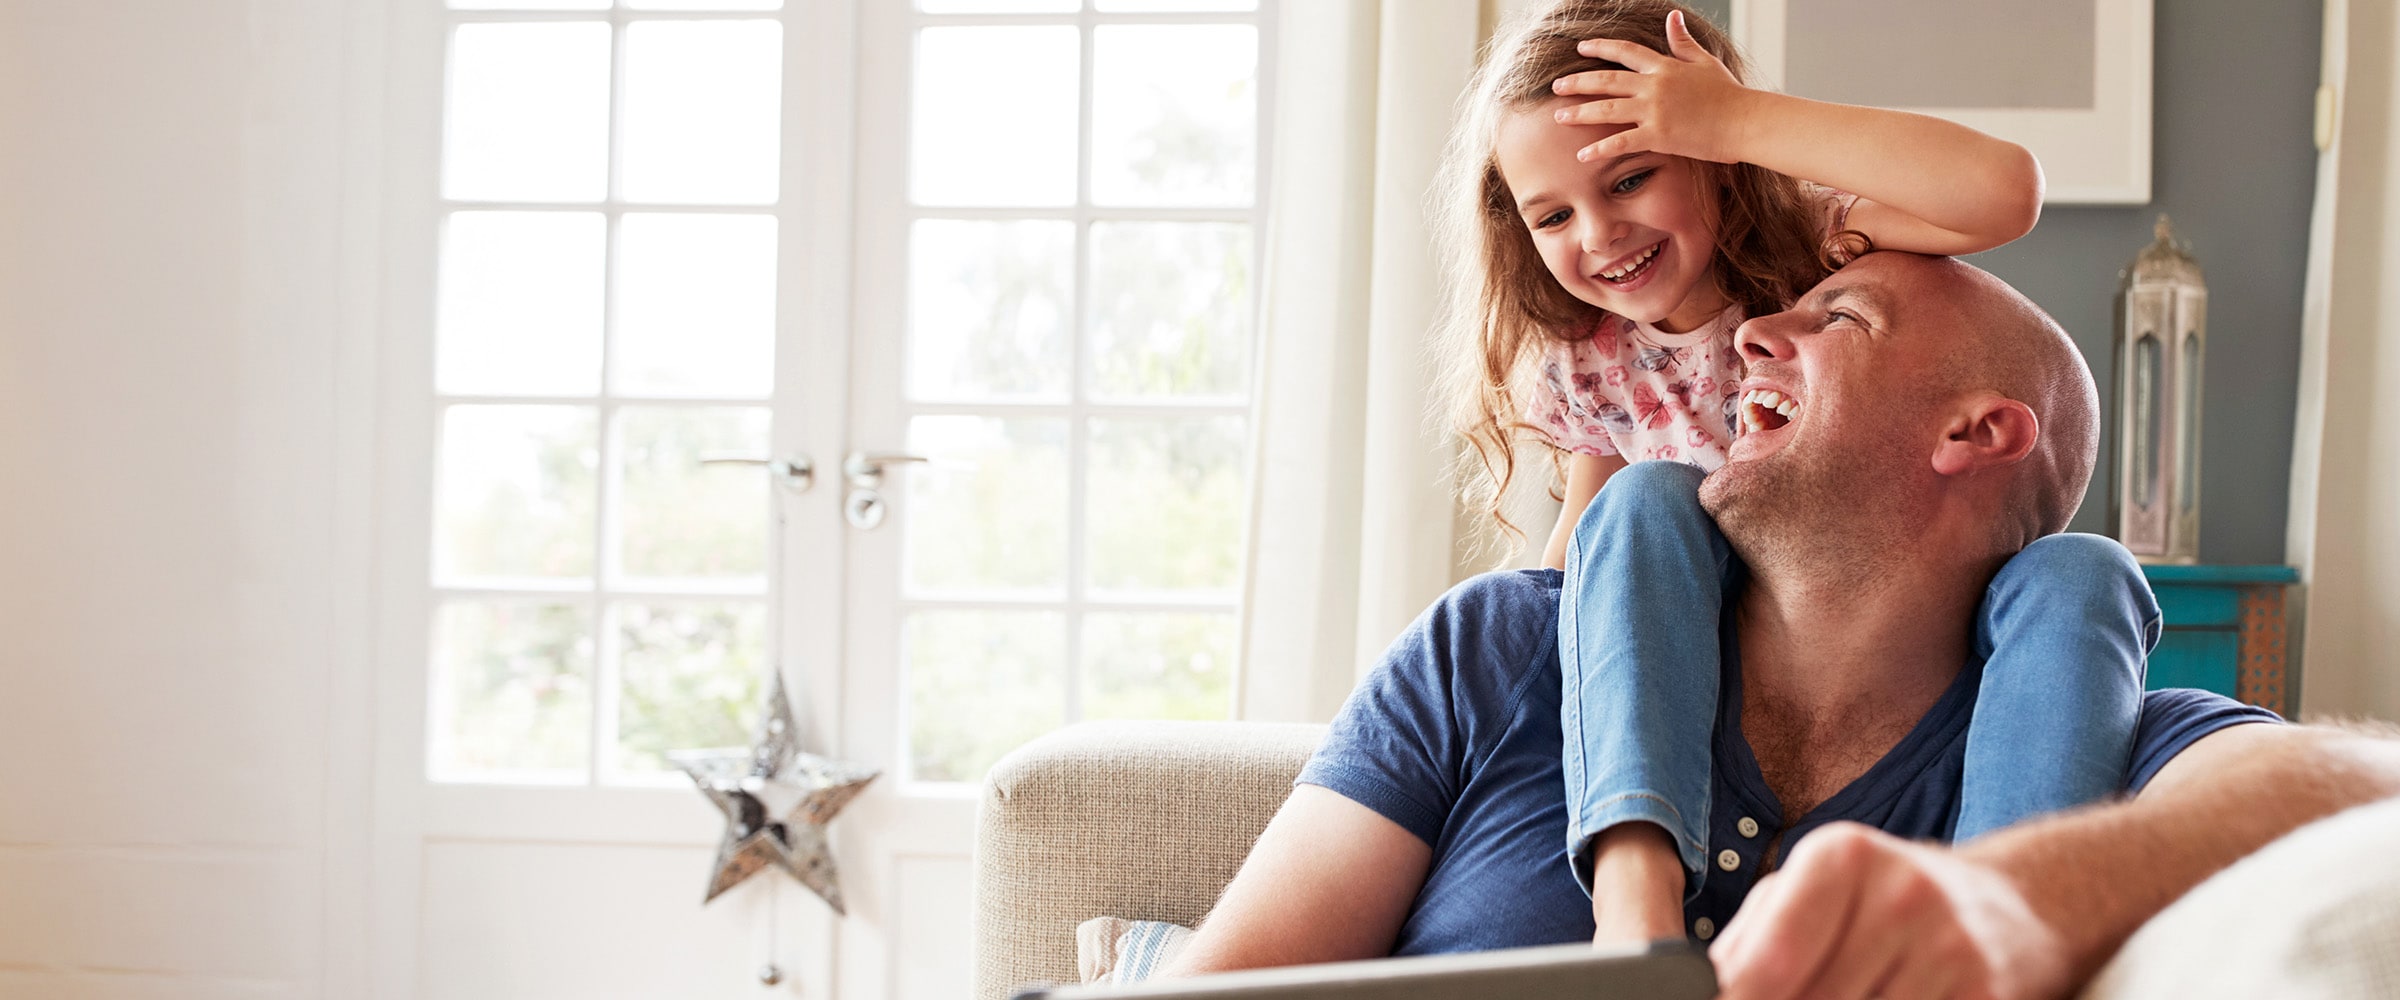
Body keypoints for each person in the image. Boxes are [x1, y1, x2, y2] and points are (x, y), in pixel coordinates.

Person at [1158, 252, 2400, 1000]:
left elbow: (2368, 784)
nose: (1752, 332)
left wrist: (2021, 897)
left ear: (1976, 432)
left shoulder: (2097, 732)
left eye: (1839, 320)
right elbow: (1232, 982)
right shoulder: (1502, 650)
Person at [1435, 0, 2147, 943]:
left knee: (2086, 566)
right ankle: (1638, 914)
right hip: (1723, 650)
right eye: (1554, 214)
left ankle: (1993, 928)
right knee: (1645, 501)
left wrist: (1736, 118)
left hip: (1874, 614)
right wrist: (1497, 660)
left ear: (1715, 159)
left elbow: (2002, 191)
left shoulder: (1811, 253)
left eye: (1633, 177)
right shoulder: (1591, 355)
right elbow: (1587, 529)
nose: (1600, 233)